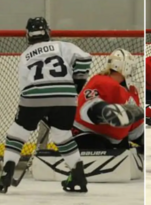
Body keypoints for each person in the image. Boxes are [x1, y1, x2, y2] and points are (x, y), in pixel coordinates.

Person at [0, 17, 91, 193]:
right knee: (62, 135)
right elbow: (84, 59)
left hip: (34, 96)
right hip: (66, 97)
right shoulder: (62, 46)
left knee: (16, 133)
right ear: (47, 32)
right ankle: (78, 176)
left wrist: (36, 111)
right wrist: (76, 86)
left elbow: (25, 87)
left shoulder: (25, 55)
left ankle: (6, 175)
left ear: (28, 35)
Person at [72, 48, 144, 151]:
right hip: (87, 137)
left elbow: (136, 131)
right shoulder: (101, 81)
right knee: (94, 144)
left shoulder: (131, 93)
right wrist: (108, 112)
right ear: (127, 67)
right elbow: (89, 107)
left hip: (116, 144)